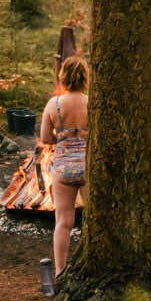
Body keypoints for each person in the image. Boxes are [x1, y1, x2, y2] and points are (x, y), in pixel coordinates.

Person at [36, 55, 89, 274]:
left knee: (63, 222)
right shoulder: (92, 102)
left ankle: (59, 270)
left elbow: (46, 138)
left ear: (63, 77)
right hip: (88, 166)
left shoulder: (54, 104)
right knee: (93, 220)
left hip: (63, 167)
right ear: (85, 77)